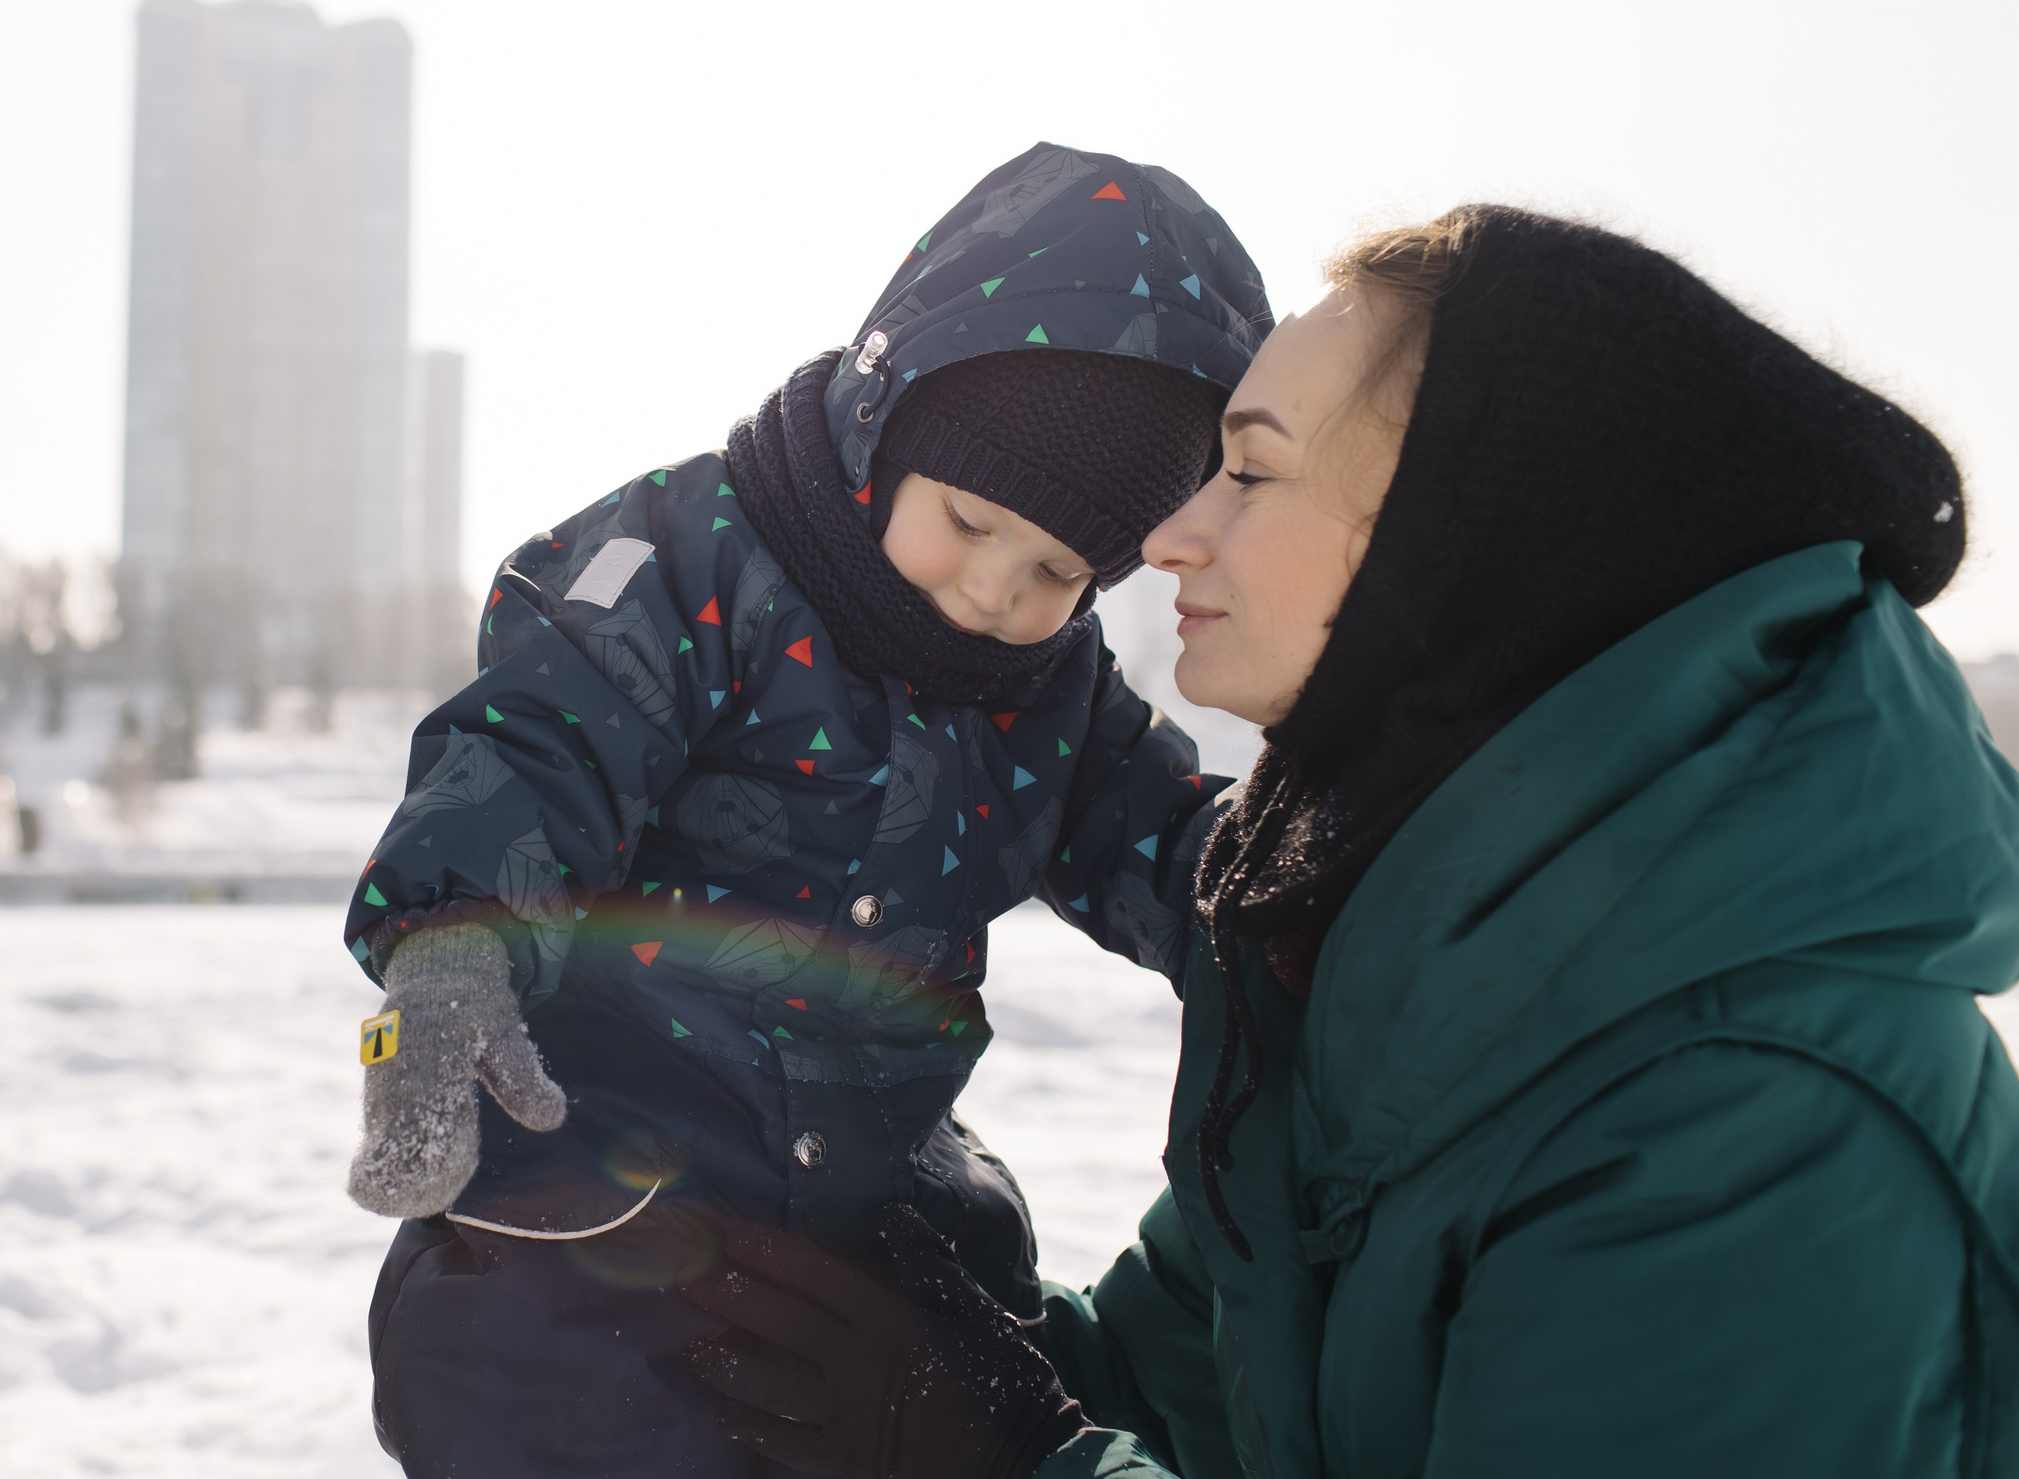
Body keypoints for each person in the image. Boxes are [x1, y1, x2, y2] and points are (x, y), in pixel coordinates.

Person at [679, 205, 2019, 1477]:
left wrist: (1003, 1449)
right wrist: (916, 1334)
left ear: (1484, 550)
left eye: (1251, 470)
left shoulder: (1744, 1117)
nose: (1167, 534)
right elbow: (1171, 1385)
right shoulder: (1379, 950)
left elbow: (1054, 1440)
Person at [345, 144, 1272, 1476]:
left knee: (963, 1343)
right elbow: (540, 739)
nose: (994, 592)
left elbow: (1164, 831)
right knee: (529, 1362)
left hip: (877, 1186)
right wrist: (450, 952)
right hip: (612, 1160)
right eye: (969, 520)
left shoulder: (1051, 685)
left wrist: (1288, 896)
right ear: (892, 412)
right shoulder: (686, 559)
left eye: (1060, 568)